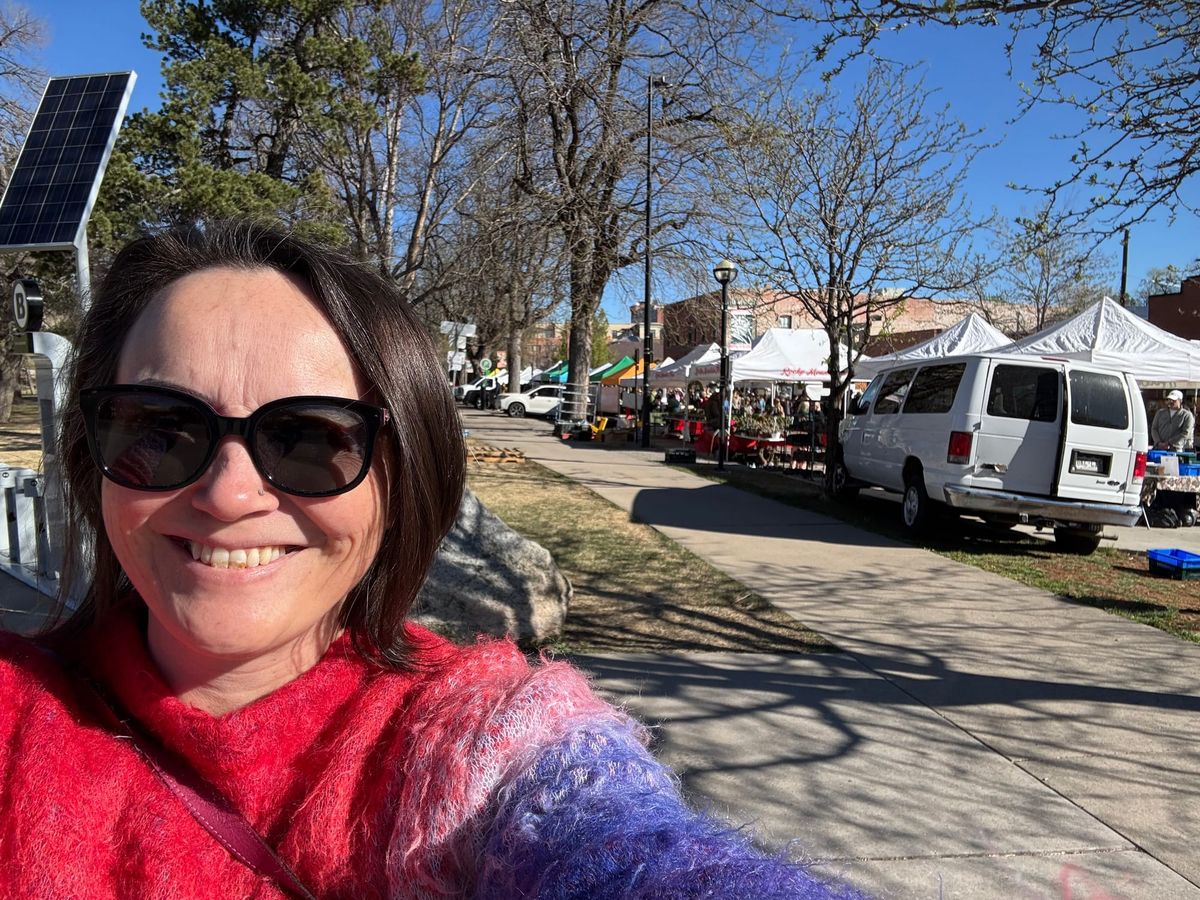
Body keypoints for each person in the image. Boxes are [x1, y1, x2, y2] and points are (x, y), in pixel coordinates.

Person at [0, 221, 861, 898]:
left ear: (401, 481)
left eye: (308, 438)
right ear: (91, 453)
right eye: (161, 428)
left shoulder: (473, 748)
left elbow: (615, 845)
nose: (229, 495)